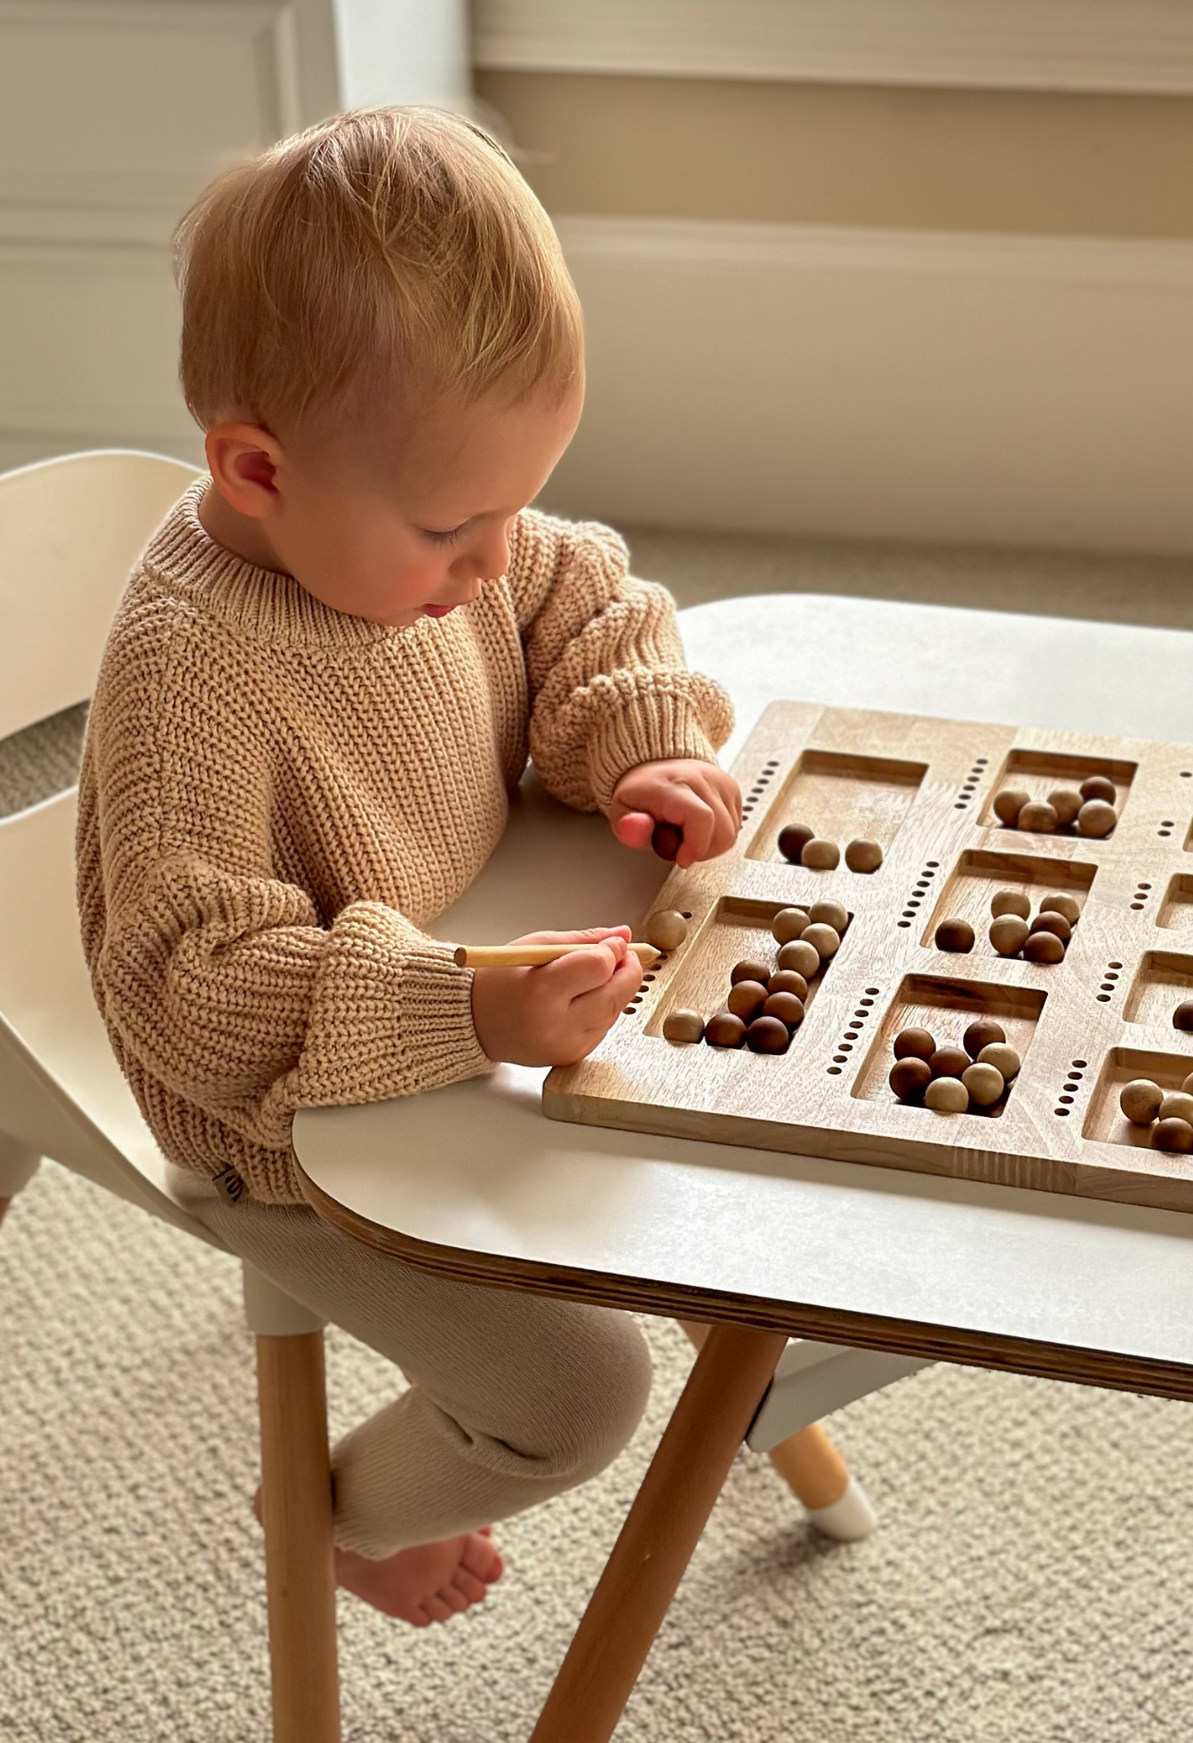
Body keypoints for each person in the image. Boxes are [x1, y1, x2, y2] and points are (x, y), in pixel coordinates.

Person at [75, 106, 740, 1628]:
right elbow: (191, 991)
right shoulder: (195, 669)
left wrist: (634, 740)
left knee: (746, 1133)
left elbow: (585, 591)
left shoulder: (420, 537)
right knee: (576, 1390)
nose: (496, 564)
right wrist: (466, 1015)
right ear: (255, 470)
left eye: (514, 502)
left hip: (472, 968)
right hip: (287, 1122)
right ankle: (339, 1519)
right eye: (457, 525)